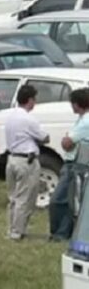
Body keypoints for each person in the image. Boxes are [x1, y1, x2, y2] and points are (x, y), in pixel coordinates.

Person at [4, 84, 50, 241]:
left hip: (12, 158)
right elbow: (45, 137)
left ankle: (11, 228)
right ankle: (18, 231)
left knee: (13, 197)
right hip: (26, 160)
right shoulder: (29, 119)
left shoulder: (10, 116)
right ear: (30, 100)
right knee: (25, 197)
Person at [49, 88, 89, 241]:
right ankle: (64, 232)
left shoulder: (85, 122)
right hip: (76, 162)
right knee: (69, 201)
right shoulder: (82, 119)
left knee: (59, 200)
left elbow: (67, 143)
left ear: (77, 104)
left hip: (74, 164)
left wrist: (66, 139)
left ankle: (60, 233)